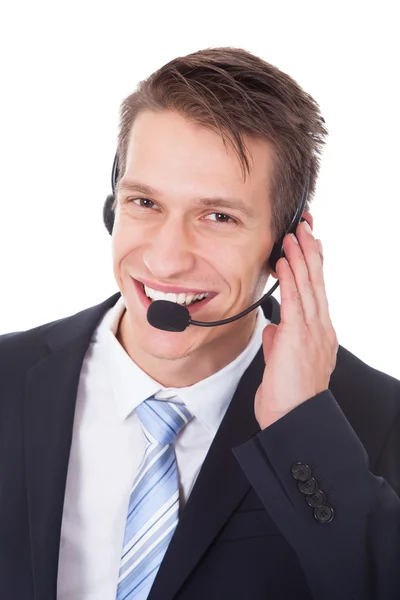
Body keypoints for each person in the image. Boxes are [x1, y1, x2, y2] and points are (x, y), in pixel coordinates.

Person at [1, 47, 399, 600]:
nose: (166, 260)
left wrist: (301, 431)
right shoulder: (7, 377)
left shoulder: (376, 421)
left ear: (289, 239)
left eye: (218, 216)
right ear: (111, 206)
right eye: (144, 202)